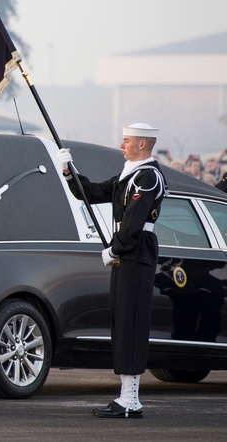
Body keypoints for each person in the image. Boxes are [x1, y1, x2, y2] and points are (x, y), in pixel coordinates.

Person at [58, 122, 166, 419]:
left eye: (126, 140)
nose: (121, 145)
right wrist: (69, 172)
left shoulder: (148, 177)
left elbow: (132, 223)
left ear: (142, 144)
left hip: (135, 250)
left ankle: (131, 399)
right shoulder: (128, 174)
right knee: (121, 323)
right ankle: (125, 396)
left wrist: (115, 249)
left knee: (131, 324)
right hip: (126, 252)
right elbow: (90, 193)